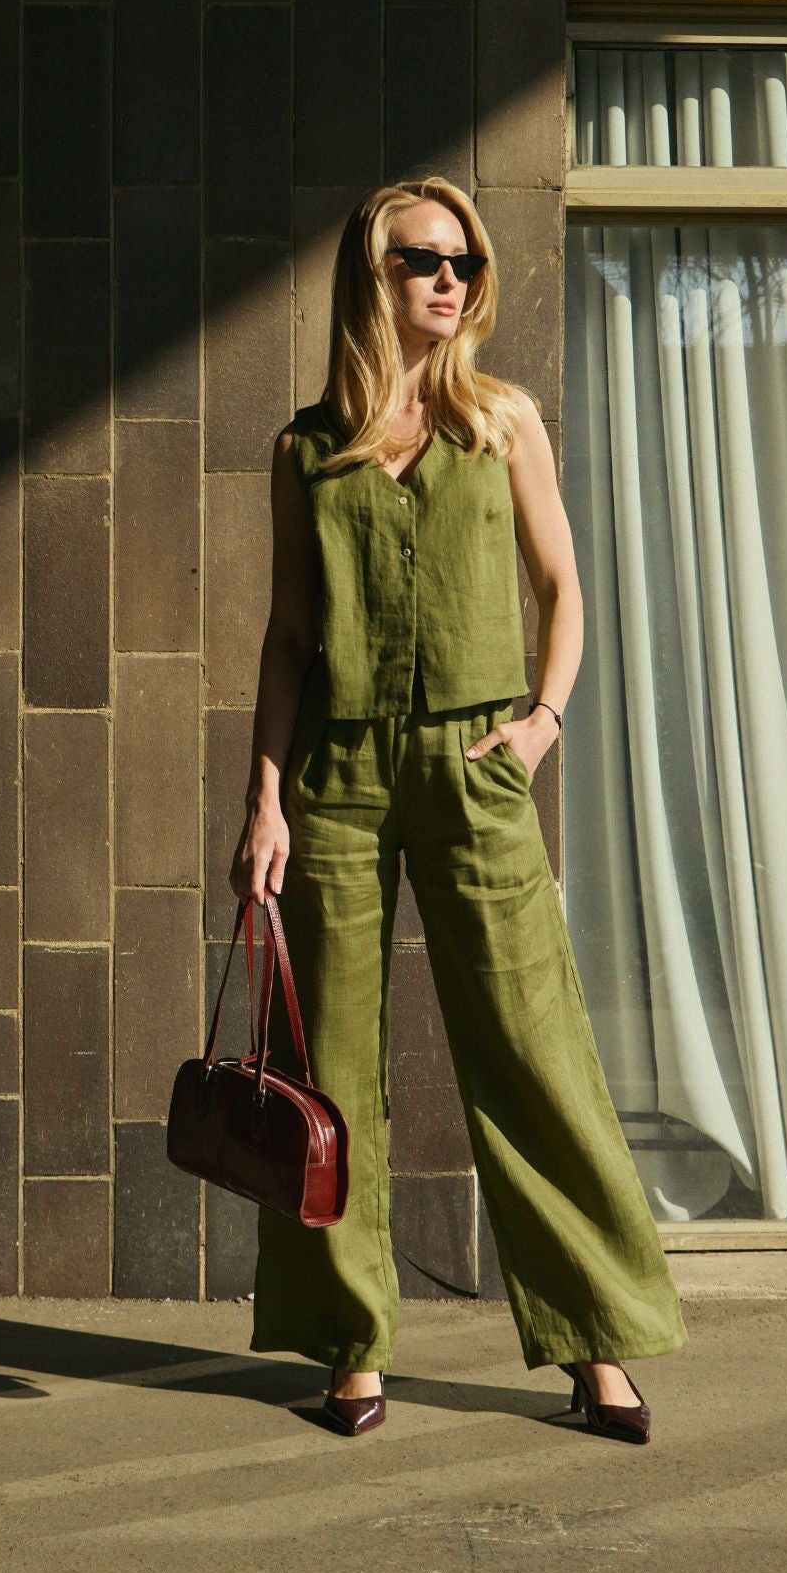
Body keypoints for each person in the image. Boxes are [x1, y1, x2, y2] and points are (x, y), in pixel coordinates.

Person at [229, 175, 689, 1442]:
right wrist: (264, 799)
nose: (452, 279)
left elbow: (564, 587)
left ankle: (597, 1339)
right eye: (425, 259)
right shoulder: (305, 450)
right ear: (370, 279)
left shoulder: (503, 422)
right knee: (330, 1065)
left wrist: (542, 724)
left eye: (467, 262)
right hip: (337, 774)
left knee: (532, 1044)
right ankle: (350, 1344)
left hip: (476, 762)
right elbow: (287, 637)